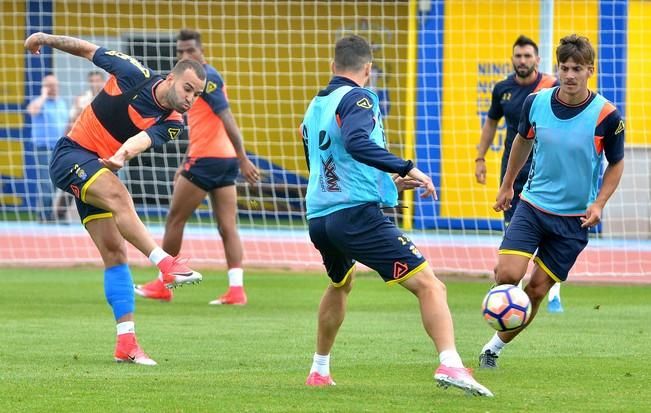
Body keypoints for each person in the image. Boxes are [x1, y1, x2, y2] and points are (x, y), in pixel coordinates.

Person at [301, 35, 493, 397]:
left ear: (333, 67)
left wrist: (388, 183)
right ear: (368, 70)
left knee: (341, 283)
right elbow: (358, 142)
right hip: (355, 216)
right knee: (431, 286)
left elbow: (328, 164)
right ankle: (451, 364)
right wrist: (409, 167)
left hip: (320, 218)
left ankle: (319, 369)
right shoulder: (359, 97)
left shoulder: (314, 107)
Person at [24, 31, 207, 366]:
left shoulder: (173, 123)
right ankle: (166, 264)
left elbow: (142, 141)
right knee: (122, 197)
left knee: (115, 253)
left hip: (99, 167)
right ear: (172, 78)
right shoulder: (132, 72)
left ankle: (126, 342)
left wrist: (121, 156)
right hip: (70, 155)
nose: (190, 99)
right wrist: (45, 38)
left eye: (196, 94)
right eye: (187, 89)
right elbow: (85, 48)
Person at [478, 34, 625, 369]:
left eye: (577, 68)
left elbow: (616, 164)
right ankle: (499, 309)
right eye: (564, 67)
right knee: (506, 274)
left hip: (573, 221)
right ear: (557, 68)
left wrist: (599, 203)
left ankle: (493, 349)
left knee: (537, 290)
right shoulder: (536, 102)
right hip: (532, 205)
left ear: (590, 70)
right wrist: (507, 185)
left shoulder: (607, 116)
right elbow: (522, 141)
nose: (569, 74)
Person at [135, 29, 259, 305]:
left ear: (201, 51)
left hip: (209, 160)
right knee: (228, 226)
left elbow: (227, 118)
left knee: (175, 220)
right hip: (220, 160)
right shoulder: (198, 80)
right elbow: (205, 127)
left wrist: (243, 157)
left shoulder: (207, 79)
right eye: (180, 51)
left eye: (190, 50)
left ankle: (163, 284)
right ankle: (236, 290)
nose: (184, 56)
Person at [475, 35, 565, 314]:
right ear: (512, 58)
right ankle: (507, 293)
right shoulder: (502, 89)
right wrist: (480, 157)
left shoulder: (552, 87)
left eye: (528, 56)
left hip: (545, 170)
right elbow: (491, 124)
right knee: (514, 229)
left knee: (548, 232)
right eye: (518, 56)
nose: (522, 61)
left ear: (537, 59)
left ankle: (553, 296)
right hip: (512, 169)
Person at [54, 70, 107, 222]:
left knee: (101, 179)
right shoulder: (82, 100)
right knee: (75, 178)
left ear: (102, 81)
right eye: (92, 80)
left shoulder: (108, 97)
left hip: (102, 147)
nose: (95, 83)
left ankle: (102, 211)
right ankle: (59, 213)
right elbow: (71, 121)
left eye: (97, 80)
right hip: (81, 145)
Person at [26, 73, 69, 222]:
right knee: (46, 182)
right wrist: (43, 96)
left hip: (60, 149)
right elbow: (31, 111)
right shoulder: (39, 102)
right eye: (49, 85)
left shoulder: (62, 103)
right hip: (43, 148)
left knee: (61, 182)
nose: (52, 88)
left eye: (54, 85)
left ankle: (55, 214)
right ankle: (44, 216)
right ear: (44, 87)